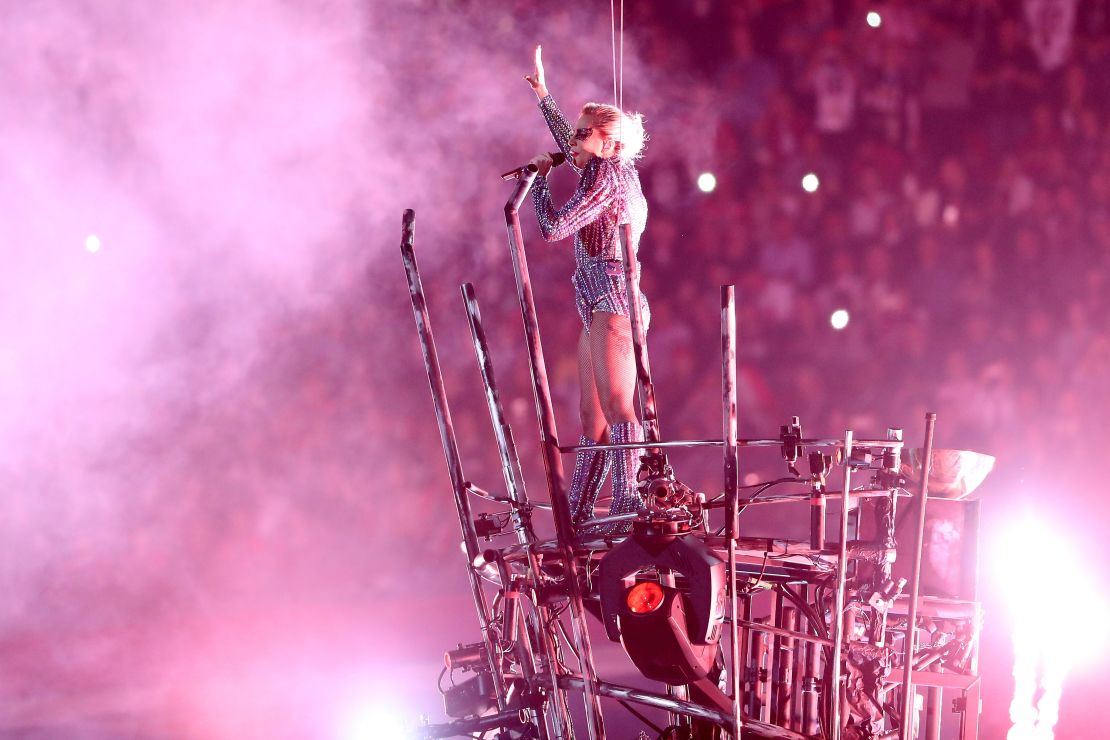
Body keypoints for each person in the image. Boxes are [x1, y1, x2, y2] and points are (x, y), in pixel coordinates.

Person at [523, 45, 648, 534]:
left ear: (609, 143)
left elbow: (554, 228)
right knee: (591, 418)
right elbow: (576, 148)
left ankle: (626, 501)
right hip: (599, 301)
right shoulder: (610, 169)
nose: (572, 140)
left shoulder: (606, 176)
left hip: (614, 300)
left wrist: (538, 179)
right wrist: (544, 96)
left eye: (582, 132)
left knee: (618, 407)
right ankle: (575, 517)